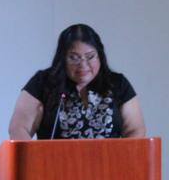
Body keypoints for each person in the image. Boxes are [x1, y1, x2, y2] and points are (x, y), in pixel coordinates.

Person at [9, 24, 146, 140]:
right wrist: (35, 161)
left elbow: (135, 130)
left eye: (90, 57)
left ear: (100, 55)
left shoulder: (117, 83)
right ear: (62, 58)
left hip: (110, 167)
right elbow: (18, 128)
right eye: (74, 58)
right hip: (55, 168)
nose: (83, 65)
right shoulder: (43, 83)